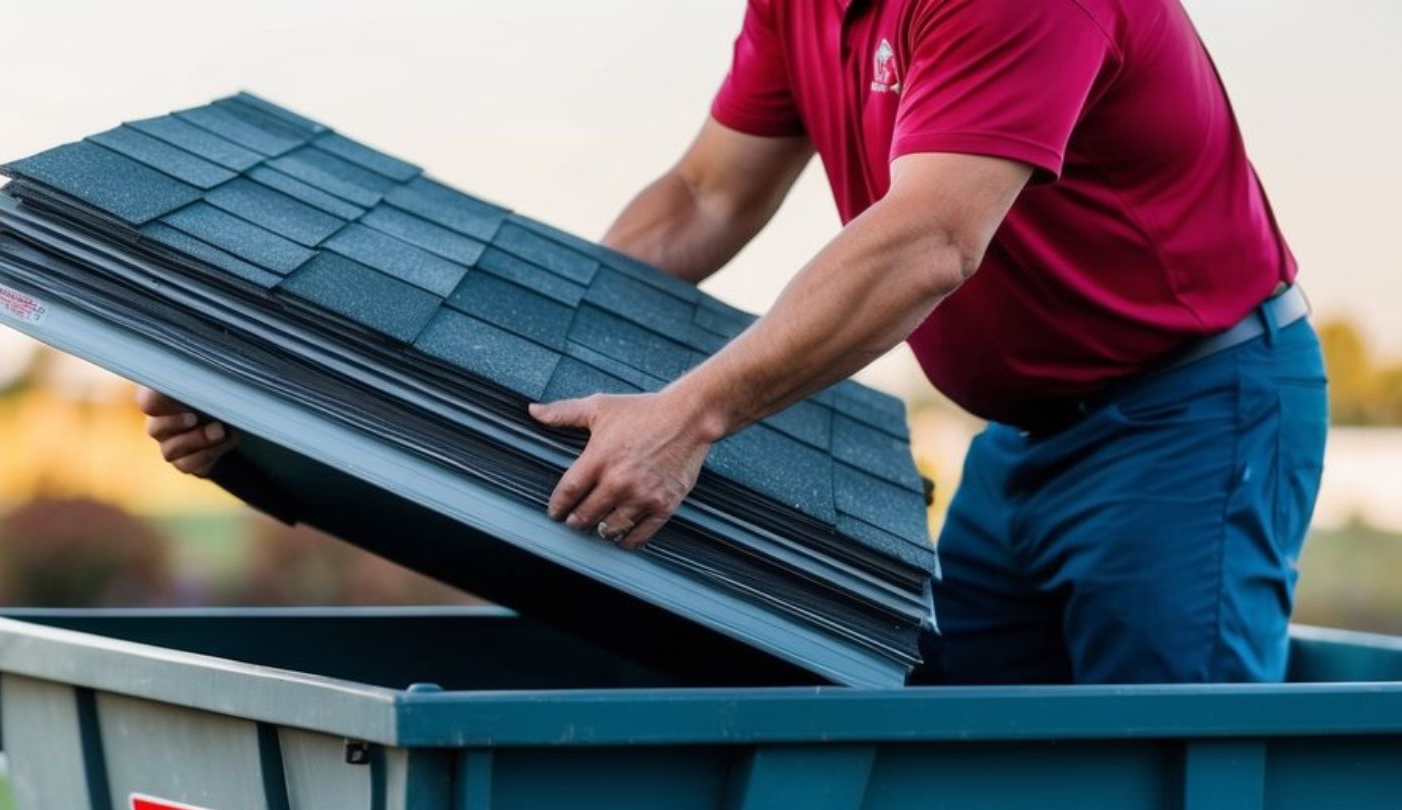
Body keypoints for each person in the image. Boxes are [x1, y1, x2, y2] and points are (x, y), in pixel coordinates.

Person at [139, 0, 1328, 684]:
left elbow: (929, 240)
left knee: (1177, 792)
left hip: (1195, 416)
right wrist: (492, 365)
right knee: (964, 759)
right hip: (1023, 443)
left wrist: (690, 413)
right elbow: (706, 196)